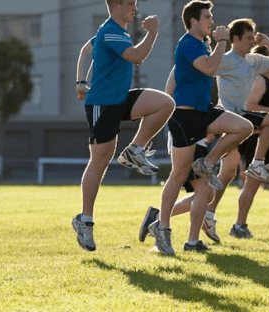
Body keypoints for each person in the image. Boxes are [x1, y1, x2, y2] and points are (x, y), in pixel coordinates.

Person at [147, 0, 253, 256]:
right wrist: (222, 42)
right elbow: (209, 68)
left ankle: (192, 240)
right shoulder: (187, 43)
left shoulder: (201, 44)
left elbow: (210, 67)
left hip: (204, 112)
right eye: (207, 16)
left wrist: (217, 45)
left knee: (243, 127)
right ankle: (162, 227)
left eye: (211, 16)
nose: (211, 20)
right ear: (193, 21)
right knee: (178, 175)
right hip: (184, 119)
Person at [71, 0, 175, 252]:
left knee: (164, 103)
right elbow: (136, 57)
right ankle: (84, 220)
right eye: (130, 3)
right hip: (102, 104)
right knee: (100, 160)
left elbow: (90, 51)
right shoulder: (109, 30)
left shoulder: (117, 32)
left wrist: (83, 79)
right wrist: (153, 32)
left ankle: (135, 150)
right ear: (116, 4)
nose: (135, 8)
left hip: (120, 98)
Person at [201, 18, 269, 240]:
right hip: (232, 120)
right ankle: (255, 166)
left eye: (252, 37)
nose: (251, 42)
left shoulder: (254, 60)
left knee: (226, 173)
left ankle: (209, 213)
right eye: (247, 38)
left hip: (246, 122)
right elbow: (206, 70)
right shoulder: (226, 60)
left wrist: (267, 42)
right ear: (235, 39)